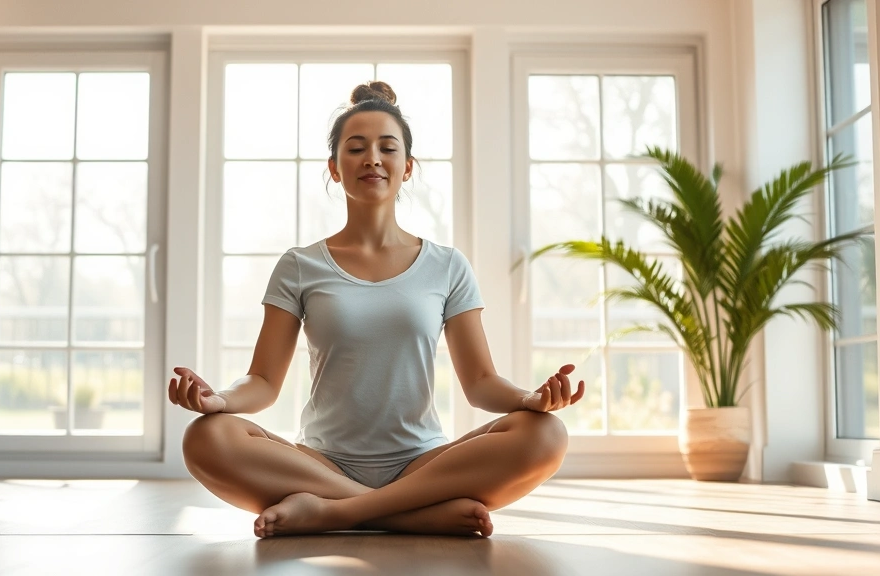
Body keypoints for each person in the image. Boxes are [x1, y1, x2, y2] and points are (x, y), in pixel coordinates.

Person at [169, 81, 586, 538]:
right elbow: (264, 382)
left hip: (423, 464)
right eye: (356, 148)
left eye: (387, 148)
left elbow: (481, 383)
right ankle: (409, 515)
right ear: (334, 168)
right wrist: (220, 401)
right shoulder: (299, 265)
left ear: (407, 168)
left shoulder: (447, 266)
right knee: (205, 437)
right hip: (319, 463)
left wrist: (529, 400)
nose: (372, 158)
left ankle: (335, 513)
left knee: (547, 435)